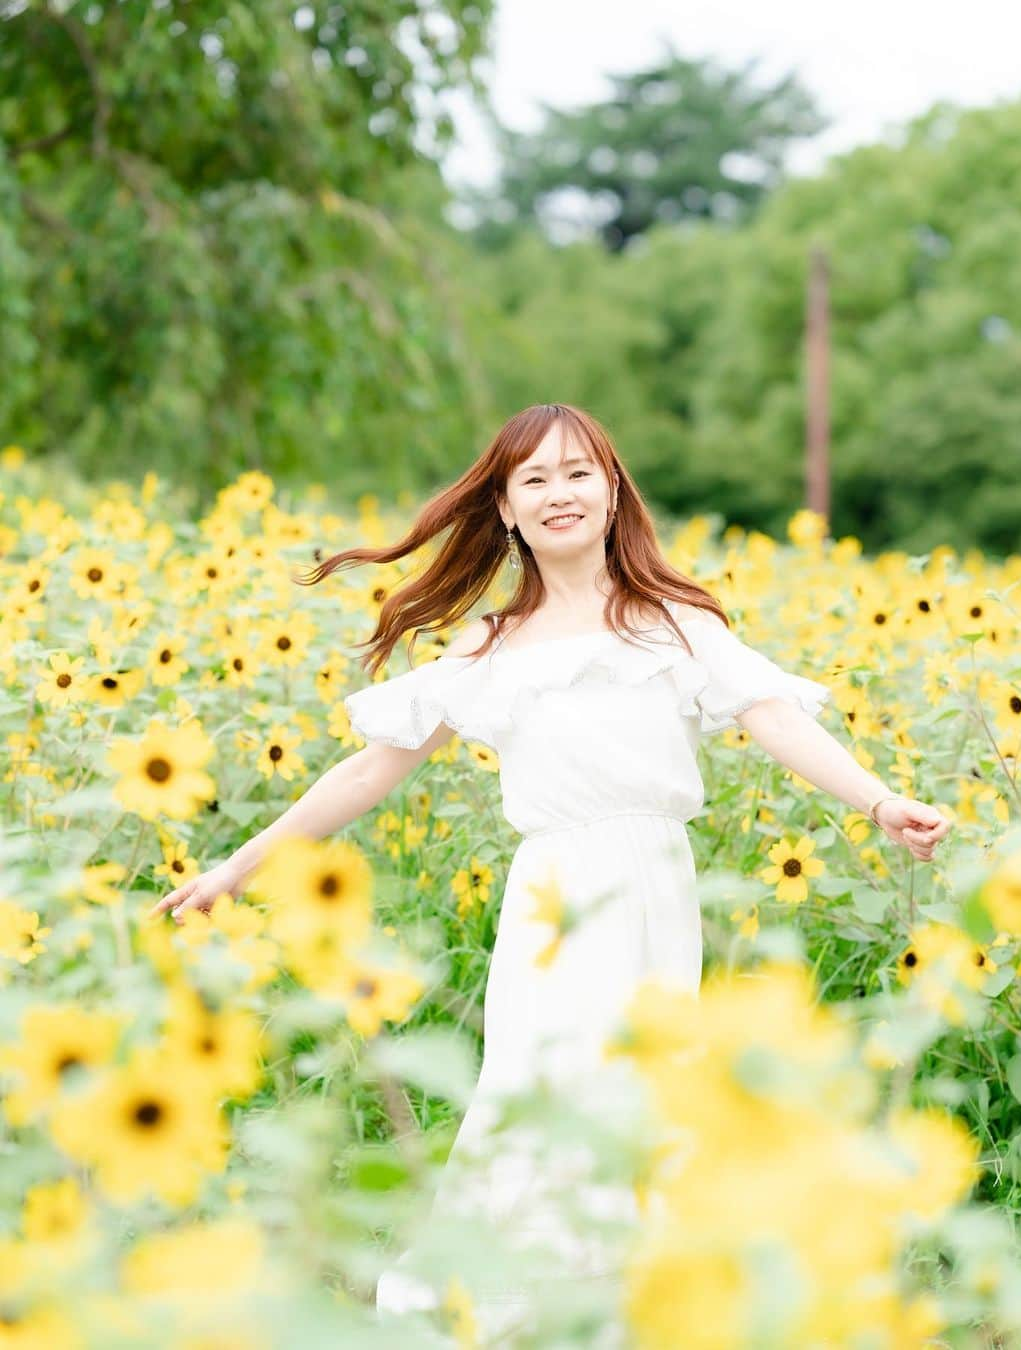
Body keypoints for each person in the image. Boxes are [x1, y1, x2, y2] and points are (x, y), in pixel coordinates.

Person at [151, 402, 951, 1329]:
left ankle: (635, 1306)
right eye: (533, 478)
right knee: (542, 1085)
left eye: (578, 472)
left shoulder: (671, 623)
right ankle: (507, 1307)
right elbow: (374, 767)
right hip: (556, 894)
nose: (558, 492)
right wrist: (237, 870)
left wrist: (881, 802)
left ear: (612, 494)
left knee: (648, 1090)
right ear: (505, 510)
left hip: (656, 884)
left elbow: (773, 717)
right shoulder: (489, 648)